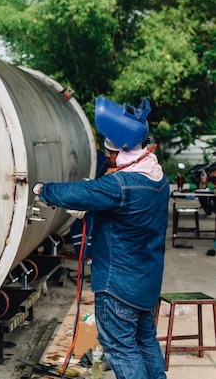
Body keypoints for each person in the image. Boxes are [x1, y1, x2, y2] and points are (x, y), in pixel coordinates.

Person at [33, 97, 168, 379]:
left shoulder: (120, 185)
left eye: (110, 152)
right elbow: (125, 213)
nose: (107, 156)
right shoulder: (157, 177)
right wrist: (90, 212)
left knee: (120, 347)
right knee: (144, 341)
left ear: (125, 150)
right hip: (147, 282)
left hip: (118, 285)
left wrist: (42, 189)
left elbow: (78, 193)